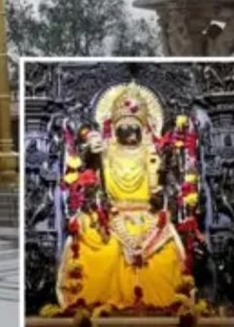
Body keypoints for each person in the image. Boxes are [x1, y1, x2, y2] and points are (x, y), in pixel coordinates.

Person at [56, 83, 185, 310]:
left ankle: (160, 306)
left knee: (165, 257)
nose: (130, 131)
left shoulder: (151, 152)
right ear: (115, 127)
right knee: (100, 246)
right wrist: (89, 149)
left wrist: (162, 178)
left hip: (148, 216)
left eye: (134, 126)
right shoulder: (104, 150)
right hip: (112, 215)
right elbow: (85, 168)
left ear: (143, 127)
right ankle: (99, 303)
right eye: (124, 126)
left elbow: (163, 185)